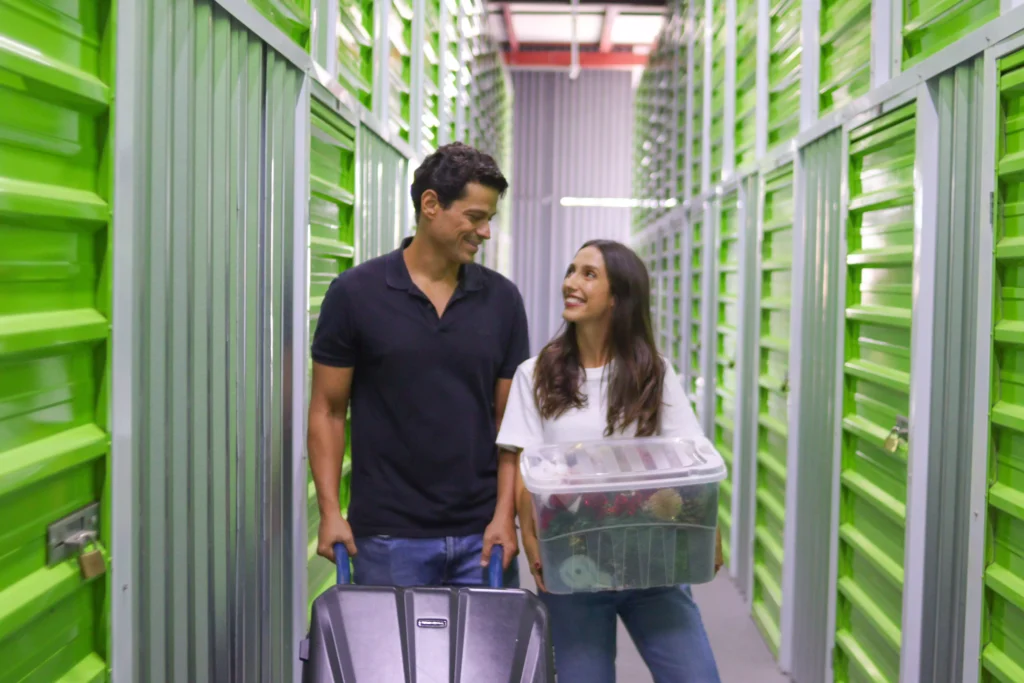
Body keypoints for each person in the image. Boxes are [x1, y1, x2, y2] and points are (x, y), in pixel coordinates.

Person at [496, 239, 722, 682]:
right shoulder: (536, 373)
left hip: (652, 561)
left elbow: (691, 457)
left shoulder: (653, 372)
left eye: (588, 274)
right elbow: (525, 465)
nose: (571, 283)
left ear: (617, 298)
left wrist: (710, 533)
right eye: (571, 270)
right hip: (575, 566)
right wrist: (531, 539)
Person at [308, 142, 529, 588]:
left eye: (489, 218)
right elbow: (327, 410)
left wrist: (506, 518)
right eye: (475, 216)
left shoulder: (503, 300)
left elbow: (512, 425)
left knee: (485, 660)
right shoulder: (355, 294)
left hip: (481, 537)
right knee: (391, 661)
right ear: (431, 204)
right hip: (387, 539)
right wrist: (330, 512)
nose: (485, 232)